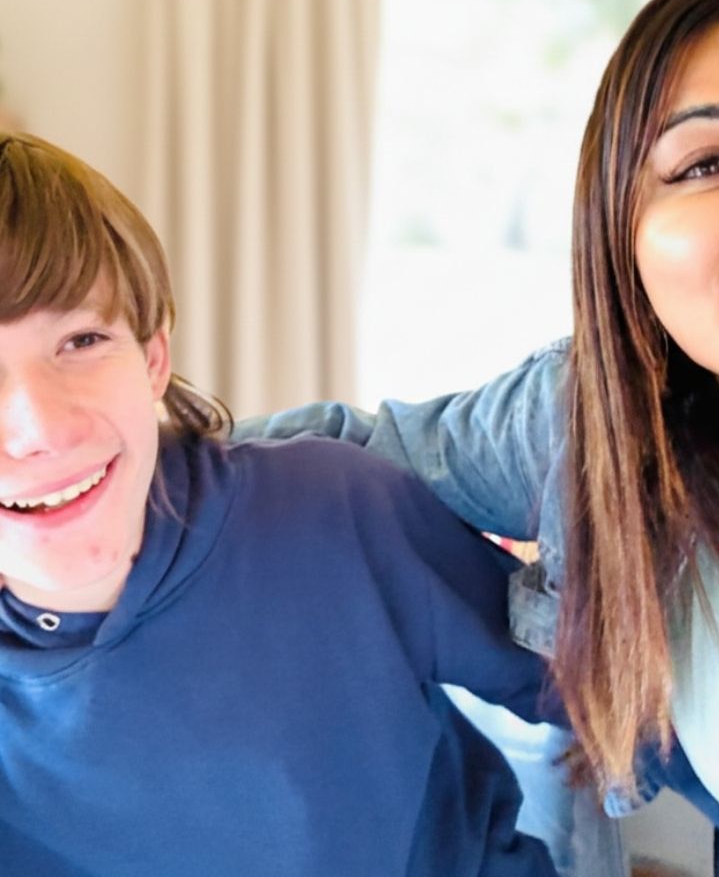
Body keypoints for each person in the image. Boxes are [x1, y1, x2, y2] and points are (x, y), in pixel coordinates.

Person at [239, 0, 719, 876]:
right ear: (623, 247)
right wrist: (79, 468)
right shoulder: (597, 422)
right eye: (708, 162)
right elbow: (348, 458)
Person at [0, 132, 568, 876]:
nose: (39, 428)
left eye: (80, 340)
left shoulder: (333, 513)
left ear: (152, 359)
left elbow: (616, 701)